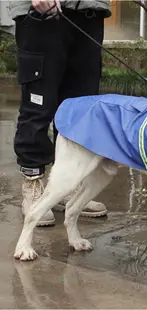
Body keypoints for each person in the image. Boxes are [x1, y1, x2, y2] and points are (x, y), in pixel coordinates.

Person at [8, 0, 111, 226]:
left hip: (89, 12)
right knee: (38, 105)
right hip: (41, 13)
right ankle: (33, 181)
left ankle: (65, 186)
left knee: (79, 111)